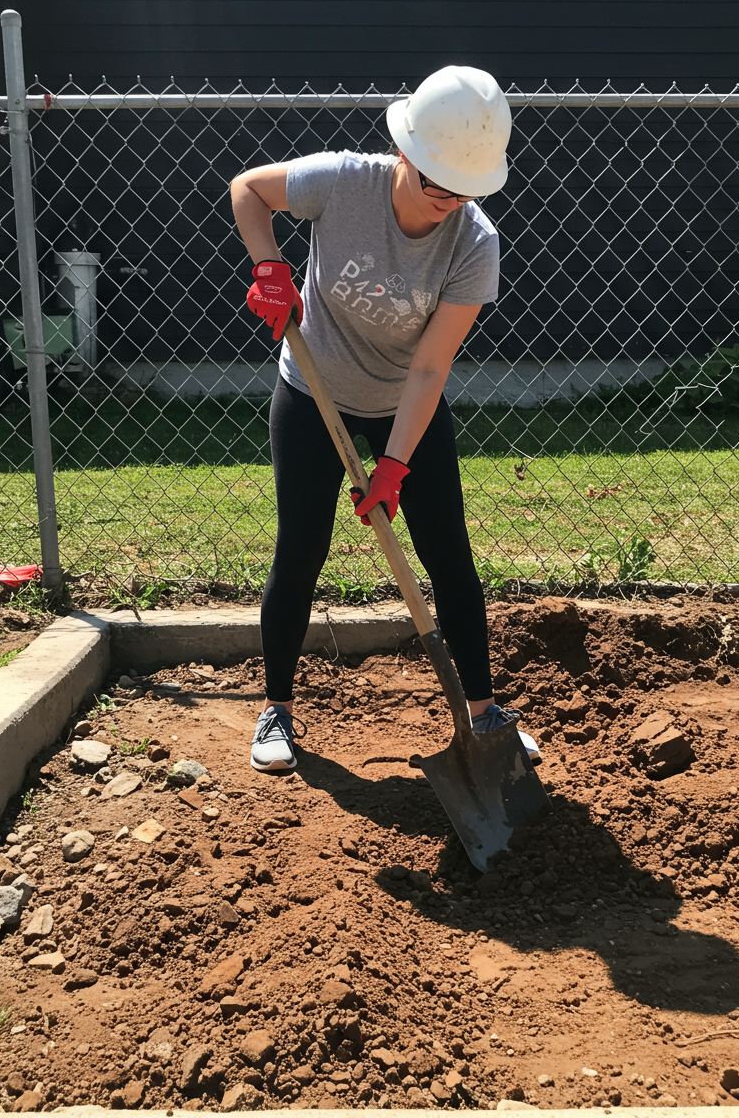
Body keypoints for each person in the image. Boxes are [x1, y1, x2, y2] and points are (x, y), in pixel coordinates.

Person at [231, 65, 541, 772]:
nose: (447, 203)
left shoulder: (474, 243)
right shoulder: (343, 181)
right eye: (437, 184)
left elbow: (431, 368)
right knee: (300, 551)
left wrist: (396, 463)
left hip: (406, 400)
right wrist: (269, 268)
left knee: (451, 560)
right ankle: (276, 708)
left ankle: (484, 714)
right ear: (406, 152)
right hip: (314, 394)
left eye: (463, 191)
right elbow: (247, 190)